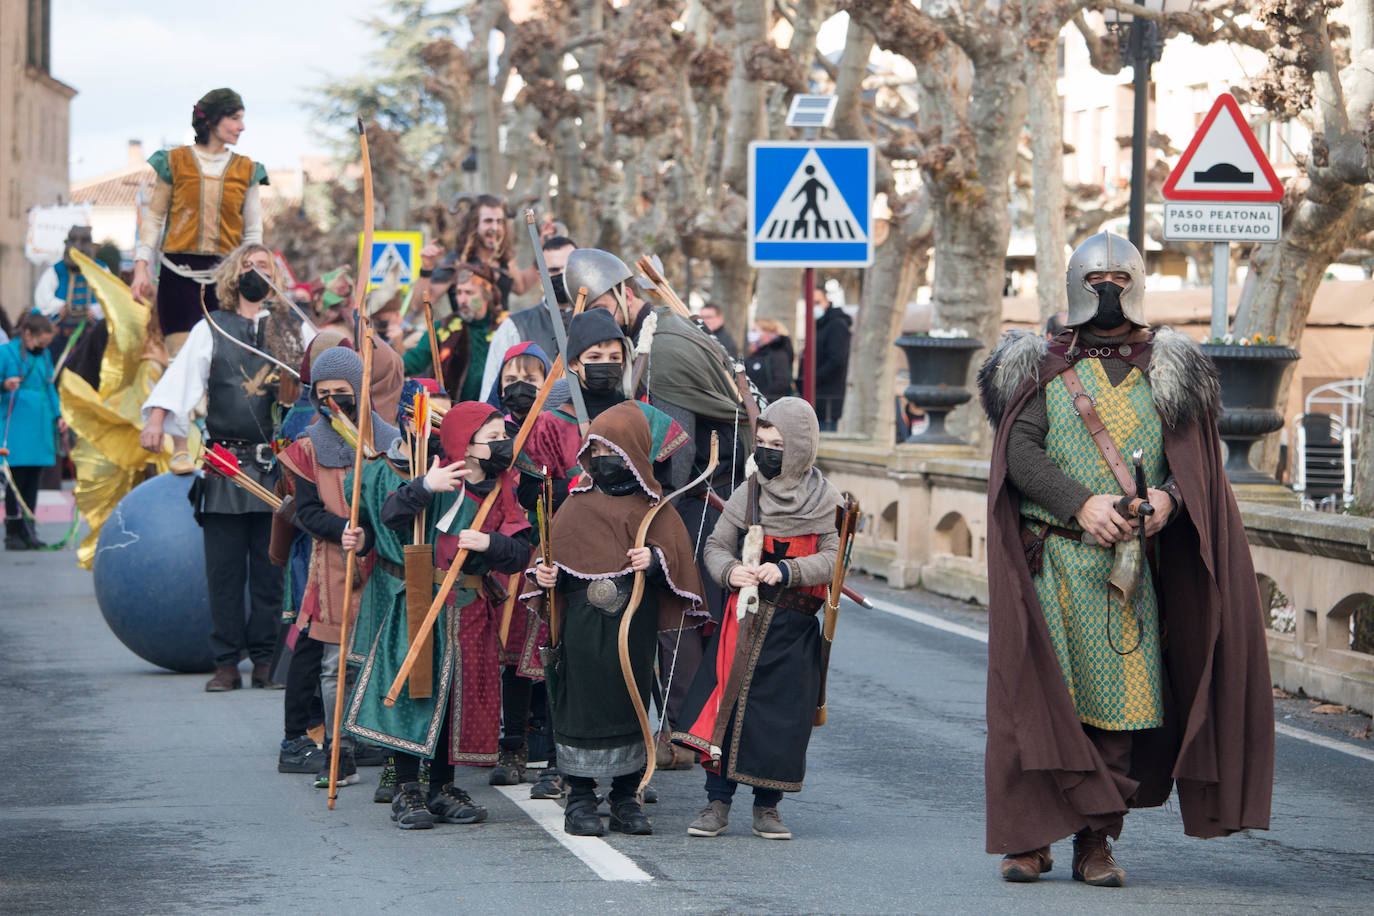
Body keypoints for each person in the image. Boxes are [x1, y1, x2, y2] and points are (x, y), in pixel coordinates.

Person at [977, 231, 1273, 886]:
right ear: (1073, 286)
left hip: (1130, 579)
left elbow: (1197, 469)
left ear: (1136, 283)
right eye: (1093, 278)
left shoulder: (1170, 372)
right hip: (1053, 565)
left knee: (1117, 714)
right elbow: (1020, 454)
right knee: (1037, 706)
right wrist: (1080, 503)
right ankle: (1030, 841)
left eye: (1117, 276)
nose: (1106, 290)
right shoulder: (1041, 367)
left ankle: (1094, 843)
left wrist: (1168, 502)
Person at [564, 249, 749, 760]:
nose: (593, 316)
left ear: (625, 292)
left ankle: (684, 732)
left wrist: (631, 496)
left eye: (598, 302)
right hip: (683, 494)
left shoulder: (663, 348)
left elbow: (678, 454)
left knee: (676, 614)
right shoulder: (651, 334)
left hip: (689, 500)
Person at [346, 401, 531, 830]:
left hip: (470, 611)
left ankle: (441, 787)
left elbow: (519, 550)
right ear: (464, 446)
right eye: (493, 439)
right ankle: (408, 789)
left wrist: (490, 546)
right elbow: (391, 517)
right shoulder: (440, 479)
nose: (503, 445)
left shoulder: (504, 486)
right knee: (416, 694)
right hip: (422, 602)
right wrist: (424, 486)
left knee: (454, 702)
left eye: (504, 436)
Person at [531, 401, 706, 837]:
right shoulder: (575, 504)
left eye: (615, 448)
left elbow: (680, 567)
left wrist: (655, 560)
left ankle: (627, 796)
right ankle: (582, 797)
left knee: (631, 704)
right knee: (581, 706)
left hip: (634, 629)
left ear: (634, 452)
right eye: (598, 447)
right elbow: (546, 558)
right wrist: (545, 572)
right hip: (583, 629)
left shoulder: (655, 510)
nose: (605, 457)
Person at [674, 397, 841, 840]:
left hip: (795, 628)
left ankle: (768, 807)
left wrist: (789, 570)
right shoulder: (748, 492)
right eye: (762, 443)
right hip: (742, 621)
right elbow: (715, 547)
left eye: (779, 444)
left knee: (781, 719)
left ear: (802, 446)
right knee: (723, 709)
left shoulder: (827, 500)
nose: (767, 452)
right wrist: (731, 571)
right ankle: (716, 802)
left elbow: (834, 557)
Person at [140, 244, 293, 691]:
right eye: (248, 265)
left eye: (264, 266)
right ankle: (226, 662)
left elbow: (317, 379)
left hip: (274, 469)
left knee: (270, 574)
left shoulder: (289, 329)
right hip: (225, 465)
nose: (256, 272)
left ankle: (264, 660)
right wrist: (155, 420)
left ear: (275, 276)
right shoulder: (212, 327)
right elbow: (181, 376)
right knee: (224, 574)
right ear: (233, 274)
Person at [276, 346, 397, 787]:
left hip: (383, 562)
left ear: (360, 392)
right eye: (323, 394)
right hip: (333, 563)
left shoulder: (388, 440)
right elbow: (306, 510)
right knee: (334, 664)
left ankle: (391, 756)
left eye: (342, 393)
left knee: (383, 657)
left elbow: (396, 501)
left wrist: (367, 531)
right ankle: (337, 751)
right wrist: (341, 528)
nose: (333, 402)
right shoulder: (308, 446)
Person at [130, 88, 269, 354]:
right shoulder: (174, 162)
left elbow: (252, 231)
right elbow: (155, 217)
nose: (242, 127)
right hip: (177, 279)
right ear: (213, 120)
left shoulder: (248, 170)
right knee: (181, 360)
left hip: (225, 280)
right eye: (235, 119)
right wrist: (141, 267)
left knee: (223, 363)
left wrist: (256, 270)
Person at [479, 235, 577, 400]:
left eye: (567, 268)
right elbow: (491, 394)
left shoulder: (597, 320)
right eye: (553, 270)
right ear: (540, 276)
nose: (561, 275)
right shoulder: (514, 327)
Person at [1, 313, 65, 550]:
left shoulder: (45, 355)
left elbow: (50, 388)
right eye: (41, 343)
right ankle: (13, 532)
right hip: (15, 422)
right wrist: (4, 385)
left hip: (40, 423)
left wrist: (58, 416)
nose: (44, 348)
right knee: (16, 480)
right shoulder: (5, 353)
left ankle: (29, 532)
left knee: (32, 481)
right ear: (28, 335)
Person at [418, 194, 536, 316]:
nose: (495, 228)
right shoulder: (456, 261)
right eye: (488, 221)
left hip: (502, 331)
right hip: (466, 333)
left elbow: (520, 287)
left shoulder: (503, 258)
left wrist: (543, 253)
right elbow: (420, 306)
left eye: (499, 221)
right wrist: (426, 269)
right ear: (474, 224)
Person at [403, 261, 501, 403]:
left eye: (469, 292)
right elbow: (415, 359)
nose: (462, 299)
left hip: (495, 415)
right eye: (459, 293)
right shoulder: (443, 327)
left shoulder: (505, 327)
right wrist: (385, 366)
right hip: (452, 413)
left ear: (486, 294)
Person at [32, 226, 104, 359]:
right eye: (74, 241)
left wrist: (97, 311)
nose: (78, 247)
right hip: (60, 333)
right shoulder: (56, 270)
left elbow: (110, 298)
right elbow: (42, 297)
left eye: (84, 241)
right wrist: (57, 306)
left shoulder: (101, 271)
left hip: (91, 332)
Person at [811, 290, 851, 431]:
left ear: (826, 303)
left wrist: (813, 379)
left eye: (817, 302)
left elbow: (837, 360)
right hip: (814, 399)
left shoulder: (836, 325)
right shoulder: (816, 325)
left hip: (826, 400)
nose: (814, 307)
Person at [744, 318, 795, 404]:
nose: (752, 334)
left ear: (768, 333)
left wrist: (761, 397)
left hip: (771, 404)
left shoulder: (778, 354)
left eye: (755, 330)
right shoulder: (755, 354)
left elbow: (781, 382)